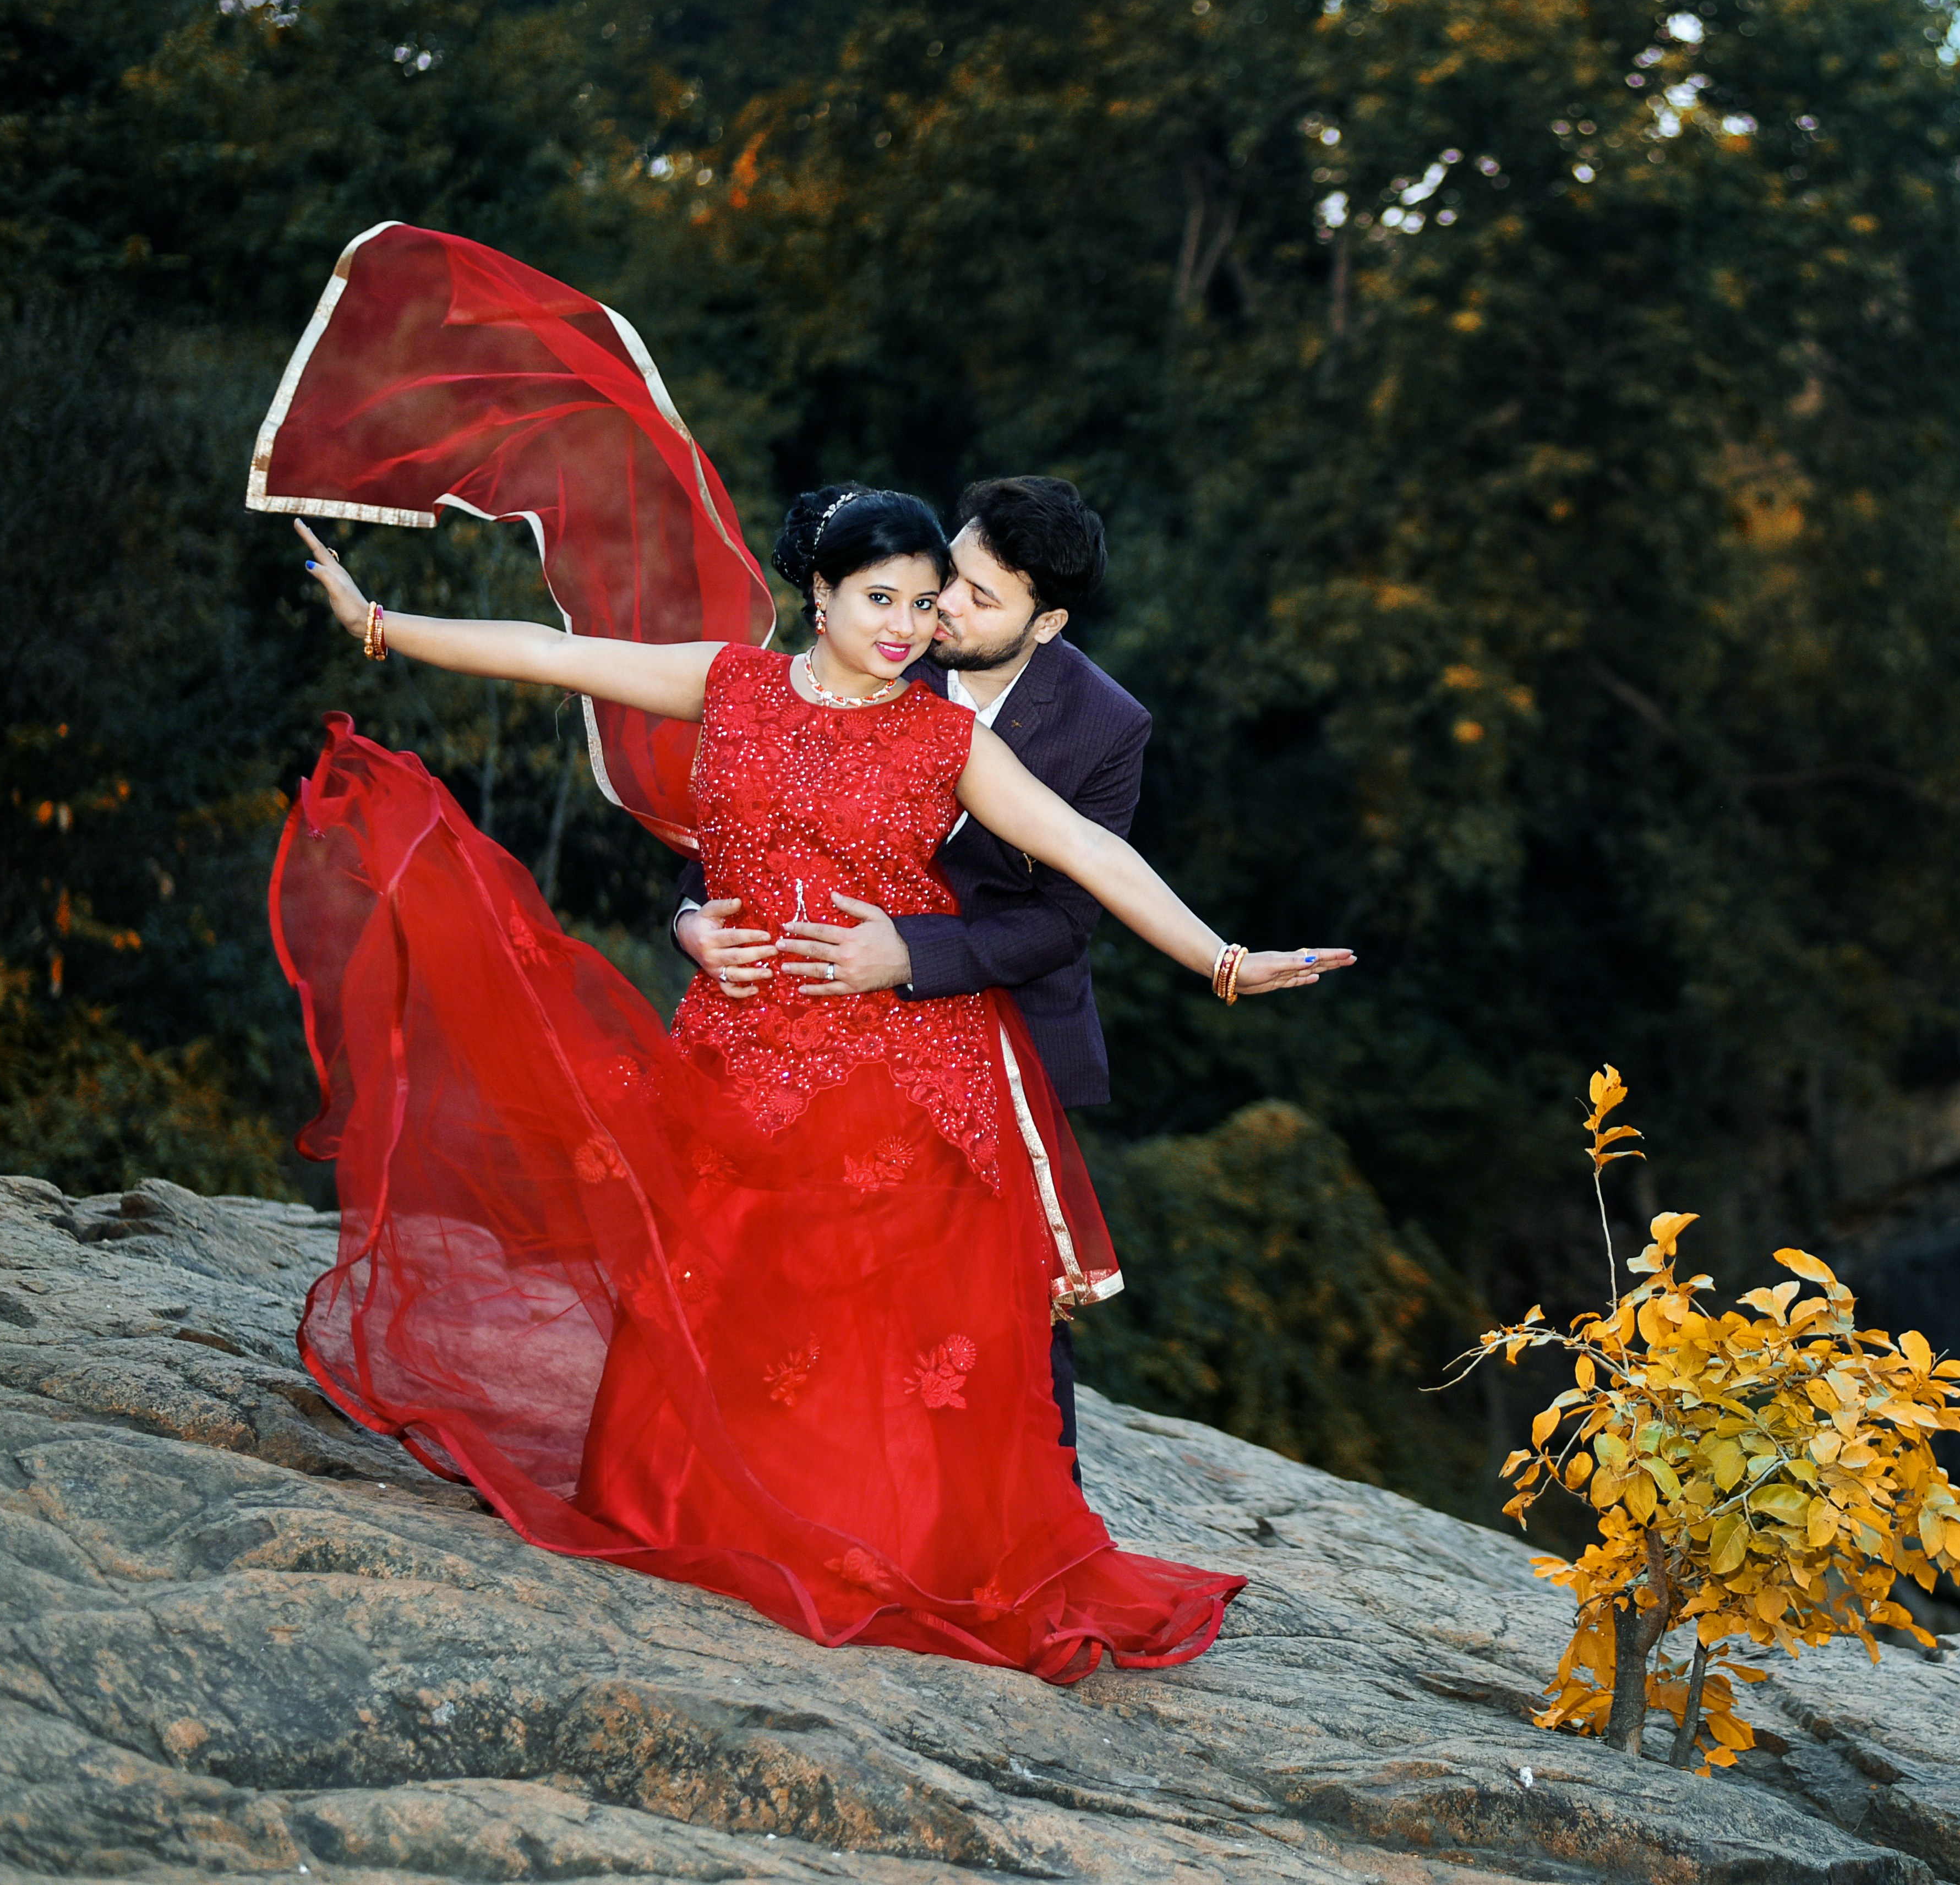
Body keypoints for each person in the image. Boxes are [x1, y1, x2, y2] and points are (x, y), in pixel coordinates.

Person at [273, 484, 1352, 1680]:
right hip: (734, 1041)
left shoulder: (948, 738)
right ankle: (694, 1511)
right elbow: (553, 652)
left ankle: (864, 1540)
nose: (906, 626)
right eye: (880, 599)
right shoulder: (730, 680)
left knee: (859, 1329)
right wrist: (378, 620)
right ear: (819, 592)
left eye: (924, 603)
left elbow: (1087, 852)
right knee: (707, 1282)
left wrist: (1222, 959)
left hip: (889, 1063)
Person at [671, 478, 1140, 1467]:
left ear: (1045, 622)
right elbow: (751, 802)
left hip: (1000, 1010)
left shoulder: (1105, 725)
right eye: (942, 582)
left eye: (976, 597)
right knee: (782, 1253)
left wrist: (910, 955)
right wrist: (687, 918)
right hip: (814, 1014)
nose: (940, 610)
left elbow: (1066, 913)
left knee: (1003, 1291)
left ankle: (1027, 1507)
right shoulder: (878, 635)